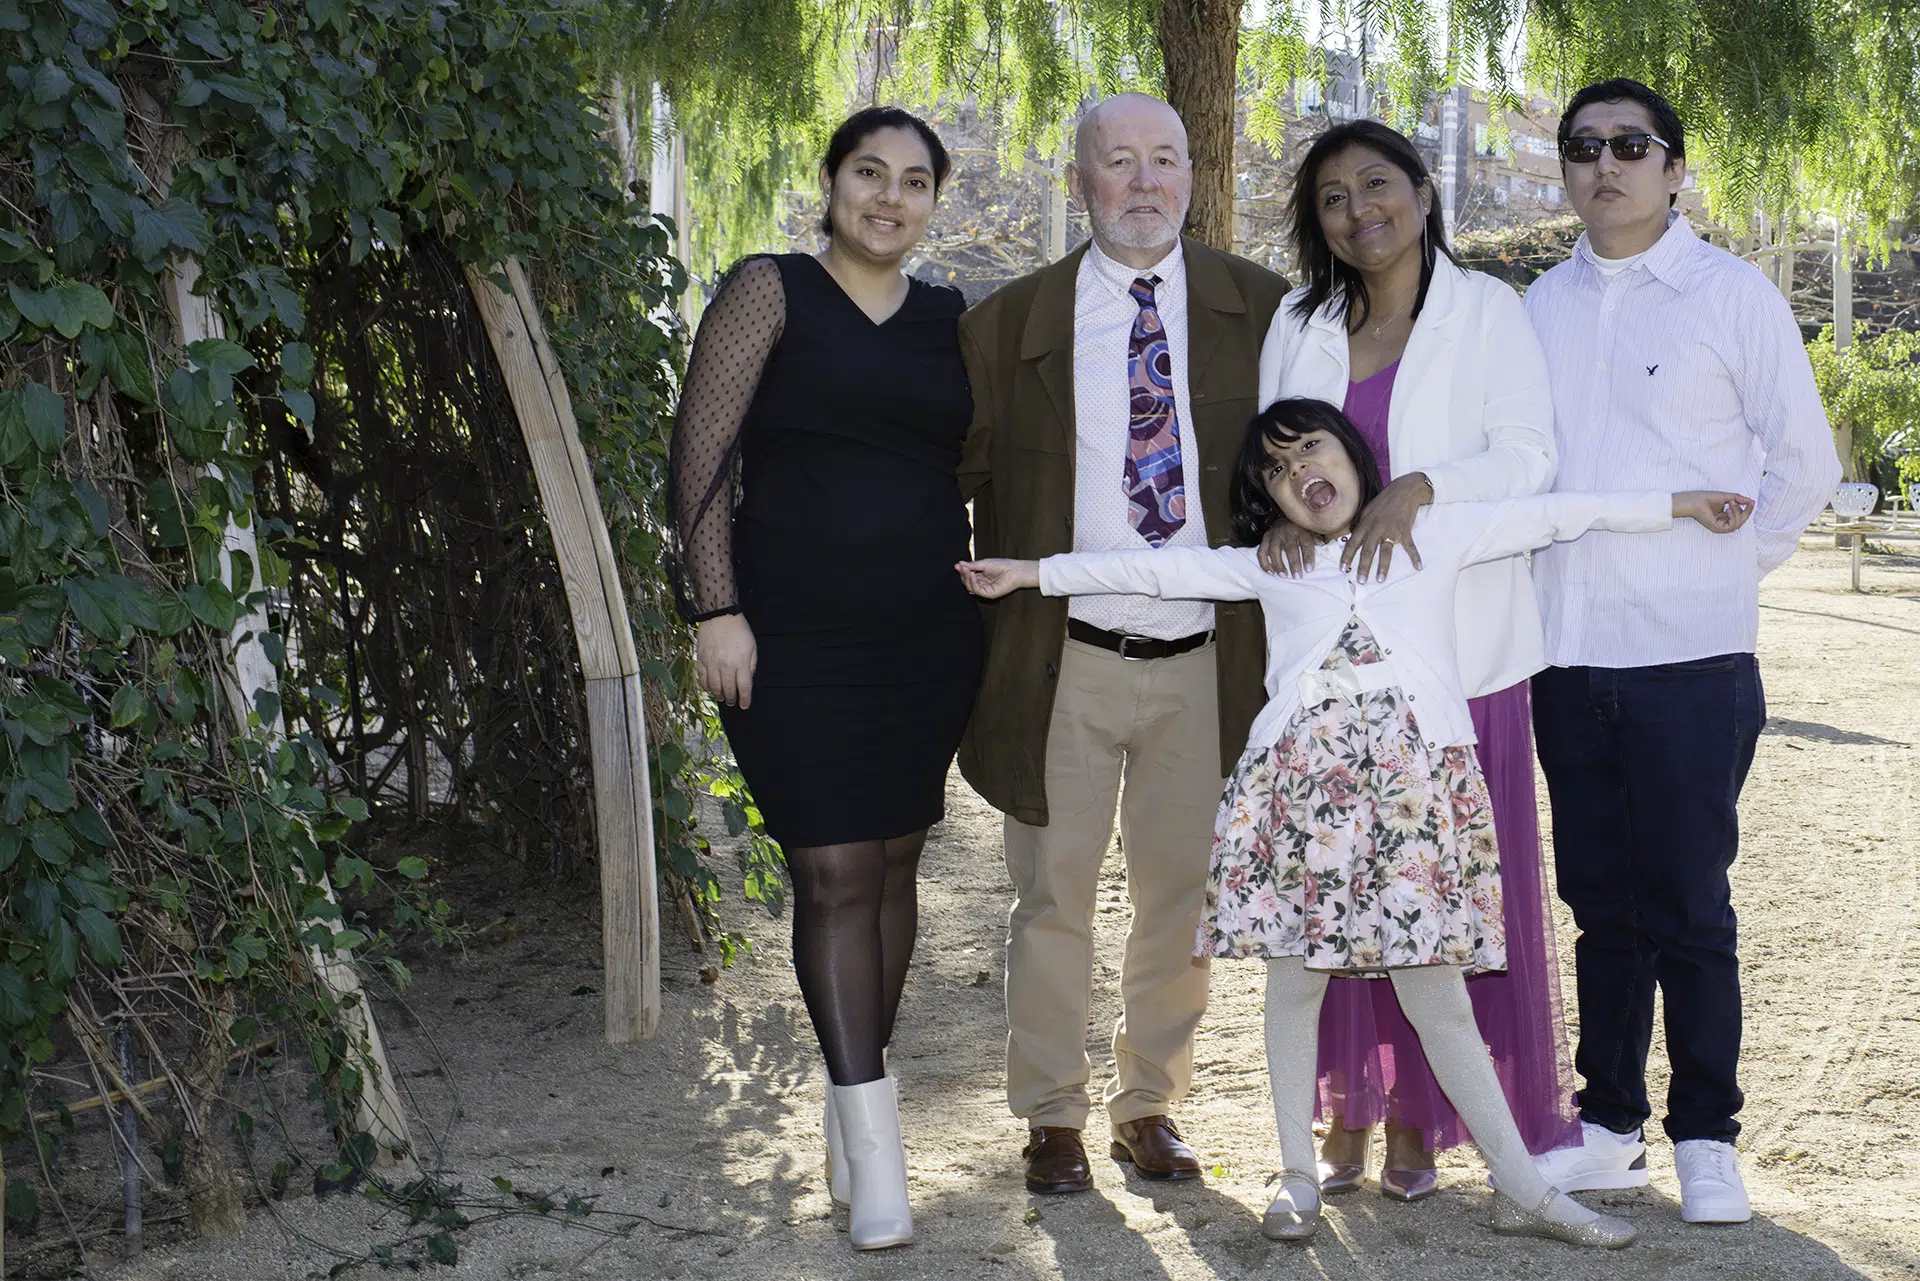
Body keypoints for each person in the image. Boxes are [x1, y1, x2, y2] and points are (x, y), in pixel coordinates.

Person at [957, 396, 1757, 1248]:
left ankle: (1521, 1186)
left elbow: (1561, 513)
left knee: (1437, 998)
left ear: (1352, 456)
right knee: (1293, 985)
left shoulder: (1434, 535)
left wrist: (1681, 504)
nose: (1301, 471)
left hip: (1412, 807)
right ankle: (1297, 1178)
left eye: (1312, 448)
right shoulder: (1274, 564)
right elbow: (1156, 572)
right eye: (1276, 469)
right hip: (1306, 805)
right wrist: (1035, 573)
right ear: (1272, 501)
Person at [954, 92, 1289, 1195]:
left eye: (1165, 161)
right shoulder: (1007, 325)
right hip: (1065, 660)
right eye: (1118, 162)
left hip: (1205, 661)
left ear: (1192, 176)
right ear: (1078, 182)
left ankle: (1150, 1104)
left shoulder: (1262, 309)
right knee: (1050, 896)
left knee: (1180, 899)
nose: (1144, 183)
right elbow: (947, 482)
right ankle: (1050, 1115)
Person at [1520, 78, 1841, 1225]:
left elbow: (1800, 464)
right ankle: (1609, 1128)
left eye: (1629, 146)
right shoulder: (1538, 307)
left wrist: (1725, 569)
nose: (1604, 164)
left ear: (1673, 167)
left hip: (1693, 660)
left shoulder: (1730, 294)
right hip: (1568, 654)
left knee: (1691, 907)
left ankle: (1707, 1135)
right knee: (1600, 902)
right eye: (1583, 147)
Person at [667, 106, 981, 1251]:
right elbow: (701, 458)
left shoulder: (951, 318)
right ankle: (881, 1163)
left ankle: (856, 1132)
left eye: (912, 181)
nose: (888, 197)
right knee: (837, 870)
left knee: (894, 863)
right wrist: (715, 608)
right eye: (868, 174)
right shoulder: (772, 289)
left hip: (926, 638)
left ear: (934, 201)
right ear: (832, 182)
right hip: (791, 639)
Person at [1254, 120, 1576, 1198]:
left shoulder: (1488, 309)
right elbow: (1271, 456)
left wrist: (1422, 486)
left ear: (1424, 192)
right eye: (1334, 197)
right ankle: (1342, 1109)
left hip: (1455, 659)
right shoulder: (1297, 319)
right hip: (1334, 678)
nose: (1359, 211)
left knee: (1437, 897)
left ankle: (1422, 1115)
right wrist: (1280, 523)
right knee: (1336, 887)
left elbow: (1531, 454)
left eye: (1377, 185)